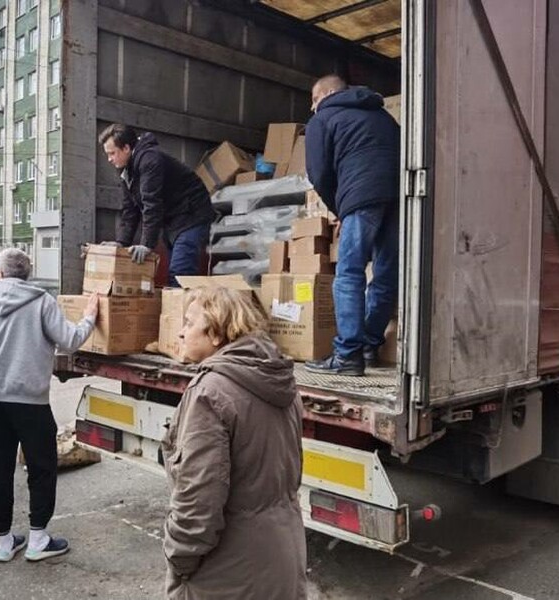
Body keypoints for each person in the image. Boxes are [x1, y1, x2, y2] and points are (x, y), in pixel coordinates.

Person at [163, 286, 306, 599]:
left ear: (215, 334)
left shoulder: (210, 392)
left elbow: (198, 497)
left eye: (188, 323)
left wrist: (180, 556)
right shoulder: (281, 381)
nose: (181, 332)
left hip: (229, 572)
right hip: (283, 555)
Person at [0, 248, 98, 563]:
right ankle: (38, 538)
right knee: (41, 468)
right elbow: (70, 340)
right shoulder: (41, 302)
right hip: (32, 403)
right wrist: (90, 315)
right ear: (28, 271)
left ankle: (5, 541)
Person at [304, 74, 400, 376]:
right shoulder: (383, 116)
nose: (312, 108)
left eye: (314, 101)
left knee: (348, 274)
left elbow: (318, 173)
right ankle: (371, 345)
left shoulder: (324, 118)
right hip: (399, 197)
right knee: (386, 274)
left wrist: (341, 209)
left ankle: (347, 356)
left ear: (327, 94)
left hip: (360, 197)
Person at [98, 123, 216, 286]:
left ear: (126, 148)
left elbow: (151, 204)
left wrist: (147, 245)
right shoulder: (126, 170)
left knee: (179, 272)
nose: (109, 159)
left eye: (112, 153)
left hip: (192, 214)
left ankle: (182, 311)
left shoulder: (149, 160)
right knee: (173, 274)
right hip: (173, 219)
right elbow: (130, 210)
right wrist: (121, 243)